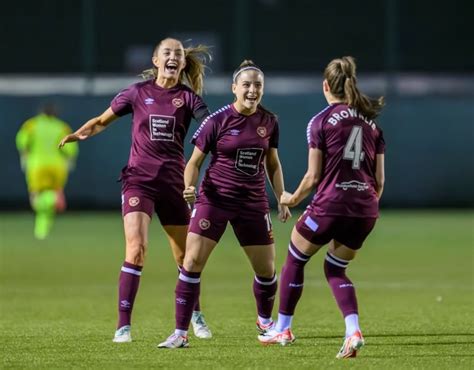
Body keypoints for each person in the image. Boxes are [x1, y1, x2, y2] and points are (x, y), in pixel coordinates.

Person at [59, 38, 213, 343]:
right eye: (166, 52)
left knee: (186, 258)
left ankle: (194, 313)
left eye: (178, 55)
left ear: (183, 64)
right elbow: (102, 121)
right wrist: (81, 132)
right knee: (136, 249)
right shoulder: (137, 92)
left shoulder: (189, 98)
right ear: (155, 60)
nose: (172, 57)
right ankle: (123, 326)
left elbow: (209, 127)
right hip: (138, 181)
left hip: (175, 186)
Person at [157, 60, 292, 349]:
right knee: (191, 263)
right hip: (214, 200)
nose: (252, 90)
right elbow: (193, 162)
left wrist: (281, 196)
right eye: (247, 84)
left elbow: (273, 163)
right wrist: (189, 187)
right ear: (234, 88)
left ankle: (266, 324)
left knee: (266, 271)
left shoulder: (269, 122)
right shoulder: (216, 121)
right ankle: (180, 333)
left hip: (252, 203)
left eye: (258, 85)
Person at [258, 56, 385, 359]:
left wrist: (290, 199)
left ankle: (283, 329)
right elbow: (379, 182)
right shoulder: (373, 126)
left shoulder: (320, 121)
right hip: (366, 209)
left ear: (326, 85)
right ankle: (352, 330)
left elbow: (313, 177)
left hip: (330, 205)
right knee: (335, 267)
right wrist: (361, 207)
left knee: (294, 258)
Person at [16, 103, 79, 240]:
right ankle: (44, 224)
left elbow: (22, 141)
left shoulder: (31, 125)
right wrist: (70, 161)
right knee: (55, 192)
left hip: (36, 165)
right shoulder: (62, 126)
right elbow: (71, 148)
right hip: (57, 166)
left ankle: (42, 223)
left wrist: (24, 156)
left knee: (36, 195)